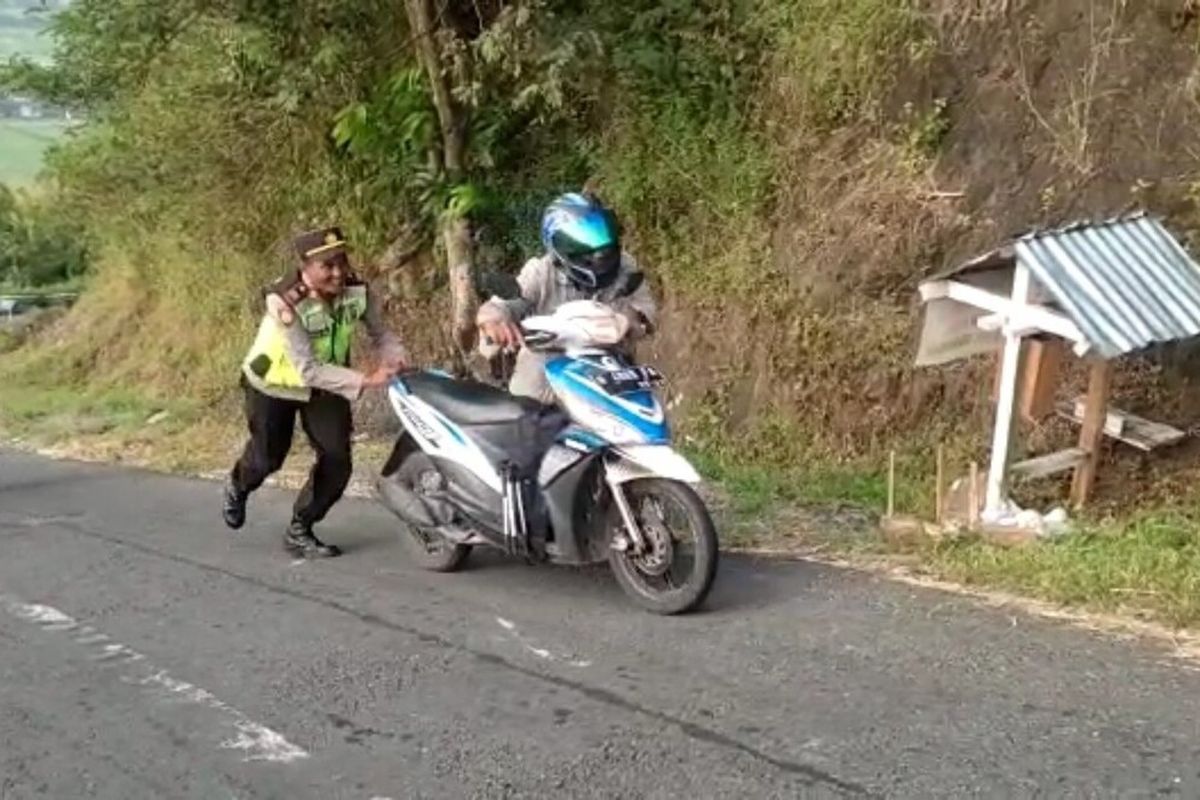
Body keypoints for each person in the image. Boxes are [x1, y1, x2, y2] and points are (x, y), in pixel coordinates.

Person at [221, 226, 409, 558]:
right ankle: (238, 484)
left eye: (341, 261)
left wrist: (395, 353)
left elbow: (381, 333)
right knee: (268, 458)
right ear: (304, 267)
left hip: (326, 383)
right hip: (274, 384)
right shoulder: (284, 301)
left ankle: (300, 528)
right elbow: (306, 368)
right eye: (327, 266)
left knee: (338, 460)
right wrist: (367, 380)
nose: (338, 272)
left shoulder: (357, 290)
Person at [476, 192, 658, 403]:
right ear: (560, 246)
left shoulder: (625, 266)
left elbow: (647, 311)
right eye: (584, 240)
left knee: (644, 422)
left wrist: (631, 319)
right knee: (521, 419)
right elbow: (502, 306)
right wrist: (494, 319)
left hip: (610, 368)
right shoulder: (540, 272)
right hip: (545, 371)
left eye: (601, 234)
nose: (599, 252)